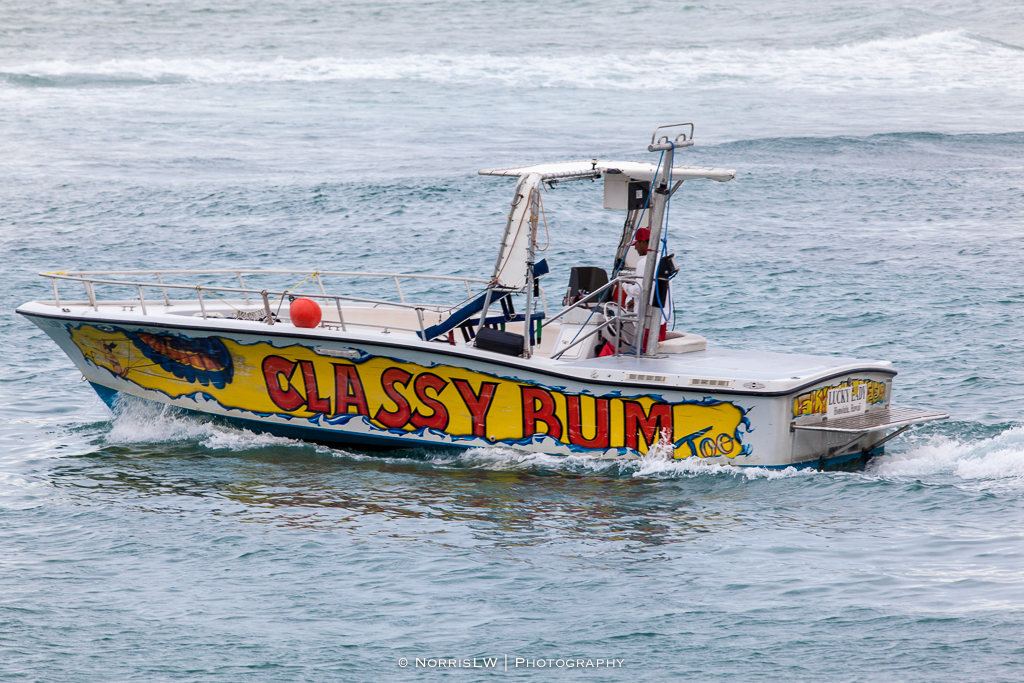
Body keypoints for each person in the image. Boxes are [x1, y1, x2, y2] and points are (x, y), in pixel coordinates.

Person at [621, 227, 670, 347]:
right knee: (657, 349)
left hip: (648, 317)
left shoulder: (644, 263)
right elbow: (652, 287)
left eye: (636, 244)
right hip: (662, 315)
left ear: (643, 242)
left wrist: (624, 285)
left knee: (644, 350)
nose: (635, 248)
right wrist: (635, 300)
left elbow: (638, 290)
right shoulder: (662, 260)